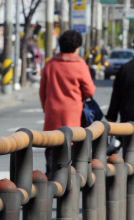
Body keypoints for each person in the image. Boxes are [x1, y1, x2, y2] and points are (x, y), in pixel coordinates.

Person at [39, 30, 96, 178]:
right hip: (74, 114)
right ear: (77, 47)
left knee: (52, 146)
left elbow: (42, 91)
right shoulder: (80, 64)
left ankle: (52, 179)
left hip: (52, 114)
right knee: (74, 145)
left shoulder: (50, 64)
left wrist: (47, 107)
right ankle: (72, 180)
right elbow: (89, 91)